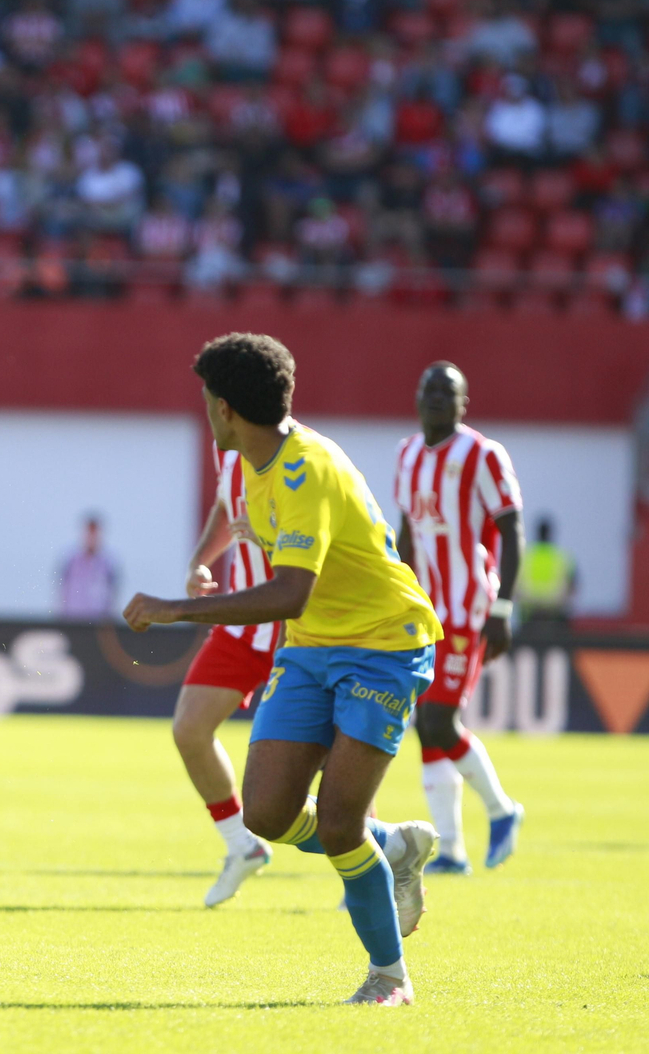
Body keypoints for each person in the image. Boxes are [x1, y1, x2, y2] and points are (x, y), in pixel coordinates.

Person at [124, 333, 441, 1006]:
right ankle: (394, 846)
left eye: (207, 399)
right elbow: (277, 573)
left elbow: (291, 590)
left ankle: (389, 976)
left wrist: (176, 609)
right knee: (267, 814)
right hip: (310, 648)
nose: (205, 410)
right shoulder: (252, 463)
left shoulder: (307, 468)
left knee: (339, 824)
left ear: (226, 408)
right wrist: (202, 563)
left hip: (384, 645)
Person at [395, 362, 526, 874]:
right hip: (424, 610)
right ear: (416, 397)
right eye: (428, 388)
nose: (435, 397)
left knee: (438, 719)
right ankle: (450, 849)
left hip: (468, 606)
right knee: (425, 727)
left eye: (447, 391)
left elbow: (511, 529)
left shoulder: (483, 454)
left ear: (462, 403)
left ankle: (502, 810)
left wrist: (503, 607)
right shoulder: (406, 454)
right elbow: (407, 532)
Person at [171, 448, 279, 908]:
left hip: (297, 626)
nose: (214, 415)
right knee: (189, 729)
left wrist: (271, 536)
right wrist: (201, 559)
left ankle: (371, 864)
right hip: (242, 622)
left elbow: (331, 535)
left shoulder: (302, 455)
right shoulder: (229, 449)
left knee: (324, 755)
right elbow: (225, 503)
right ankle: (241, 844)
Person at [58, 515, 119, 619]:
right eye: (89, 533)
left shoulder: (107, 564)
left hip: (98, 620)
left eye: (94, 534)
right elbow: (62, 590)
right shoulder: (71, 561)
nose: (92, 538)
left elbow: (112, 594)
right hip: (73, 619)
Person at [517, 517, 576, 624]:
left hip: (530, 612)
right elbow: (572, 585)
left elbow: (514, 583)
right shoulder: (562, 557)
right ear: (550, 534)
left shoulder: (526, 556)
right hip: (554, 611)